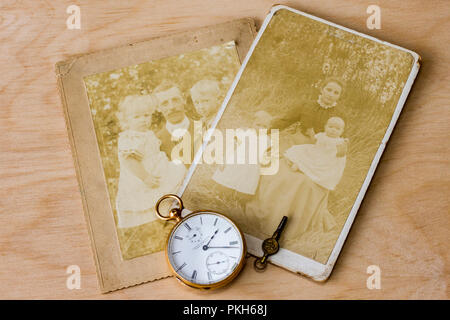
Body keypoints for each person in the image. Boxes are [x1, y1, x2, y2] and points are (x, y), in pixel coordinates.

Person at [115, 95, 186, 228]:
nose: (143, 120)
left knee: (176, 173)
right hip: (143, 175)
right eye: (137, 117)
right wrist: (145, 177)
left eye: (146, 115)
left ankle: (168, 210)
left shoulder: (147, 133)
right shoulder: (130, 137)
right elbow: (129, 161)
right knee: (149, 197)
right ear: (125, 120)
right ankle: (156, 217)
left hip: (157, 169)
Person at [212, 110, 273, 196]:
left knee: (244, 184)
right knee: (228, 178)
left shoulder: (267, 140)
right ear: (252, 123)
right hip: (236, 161)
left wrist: (266, 159)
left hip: (252, 166)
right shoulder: (244, 133)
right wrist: (224, 160)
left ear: (269, 127)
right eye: (258, 125)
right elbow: (232, 147)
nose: (260, 129)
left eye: (264, 126)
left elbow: (264, 156)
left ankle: (238, 196)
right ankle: (221, 192)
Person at [284, 116, 348, 191]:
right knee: (301, 152)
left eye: (337, 129)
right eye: (330, 127)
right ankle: (298, 163)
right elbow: (314, 141)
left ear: (342, 131)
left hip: (327, 159)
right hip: (316, 152)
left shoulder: (340, 142)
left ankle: (303, 168)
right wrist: (311, 134)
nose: (333, 130)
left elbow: (341, 154)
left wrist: (344, 147)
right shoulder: (322, 135)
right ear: (325, 127)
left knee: (319, 168)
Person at [153, 81, 196, 166]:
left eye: (175, 100)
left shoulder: (206, 128)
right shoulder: (156, 142)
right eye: (165, 104)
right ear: (158, 108)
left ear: (183, 100)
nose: (172, 107)